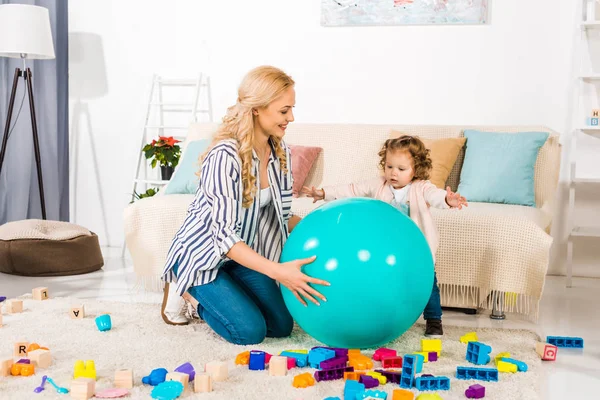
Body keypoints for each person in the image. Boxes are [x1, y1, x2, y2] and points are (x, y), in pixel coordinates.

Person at [160, 66, 330, 345]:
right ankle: (187, 290)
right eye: (284, 111)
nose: (291, 118)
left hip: (242, 255)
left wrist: (323, 234)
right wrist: (278, 272)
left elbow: (282, 216)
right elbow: (224, 238)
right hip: (206, 256)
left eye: (291, 109)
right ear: (257, 109)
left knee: (280, 326)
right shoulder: (225, 155)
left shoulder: (280, 152)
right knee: (248, 332)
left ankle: (227, 290)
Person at [302, 135, 467, 337]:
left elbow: (436, 196)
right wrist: (323, 193)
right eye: (389, 166)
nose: (393, 173)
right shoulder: (379, 185)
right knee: (385, 281)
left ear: (416, 168)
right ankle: (384, 314)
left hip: (415, 252)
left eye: (401, 169)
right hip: (385, 251)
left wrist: (449, 200)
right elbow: (352, 190)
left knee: (428, 285)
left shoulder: (421, 188)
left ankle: (434, 320)